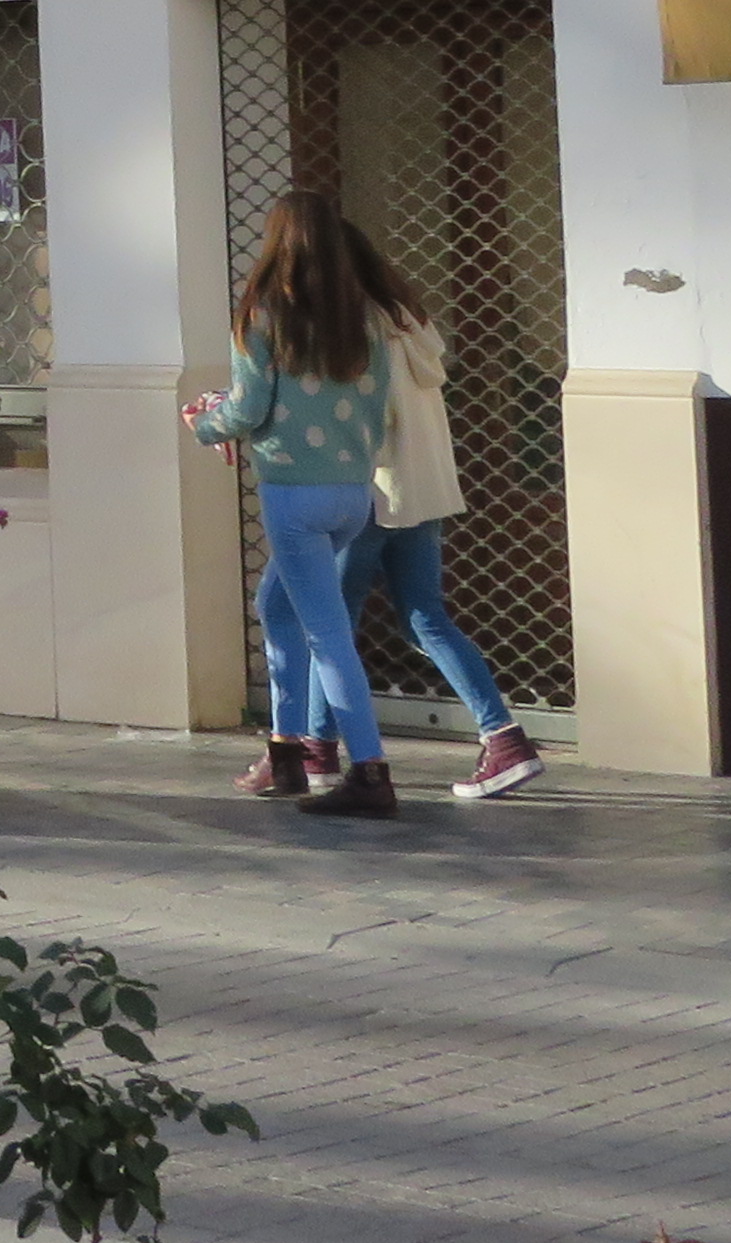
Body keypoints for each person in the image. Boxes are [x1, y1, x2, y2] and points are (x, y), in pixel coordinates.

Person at [188, 191, 415, 822]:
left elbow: (247, 408)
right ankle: (284, 753)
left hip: (294, 493)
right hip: (352, 491)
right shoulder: (366, 317)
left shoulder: (262, 315)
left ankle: (369, 771)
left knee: (327, 635)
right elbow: (378, 405)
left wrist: (205, 423)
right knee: (277, 606)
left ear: (275, 242)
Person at [343, 301, 550, 800]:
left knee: (329, 626)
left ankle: (315, 750)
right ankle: (503, 737)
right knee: (426, 618)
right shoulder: (413, 327)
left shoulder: (356, 331)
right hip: (424, 493)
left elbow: (366, 421)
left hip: (372, 494)